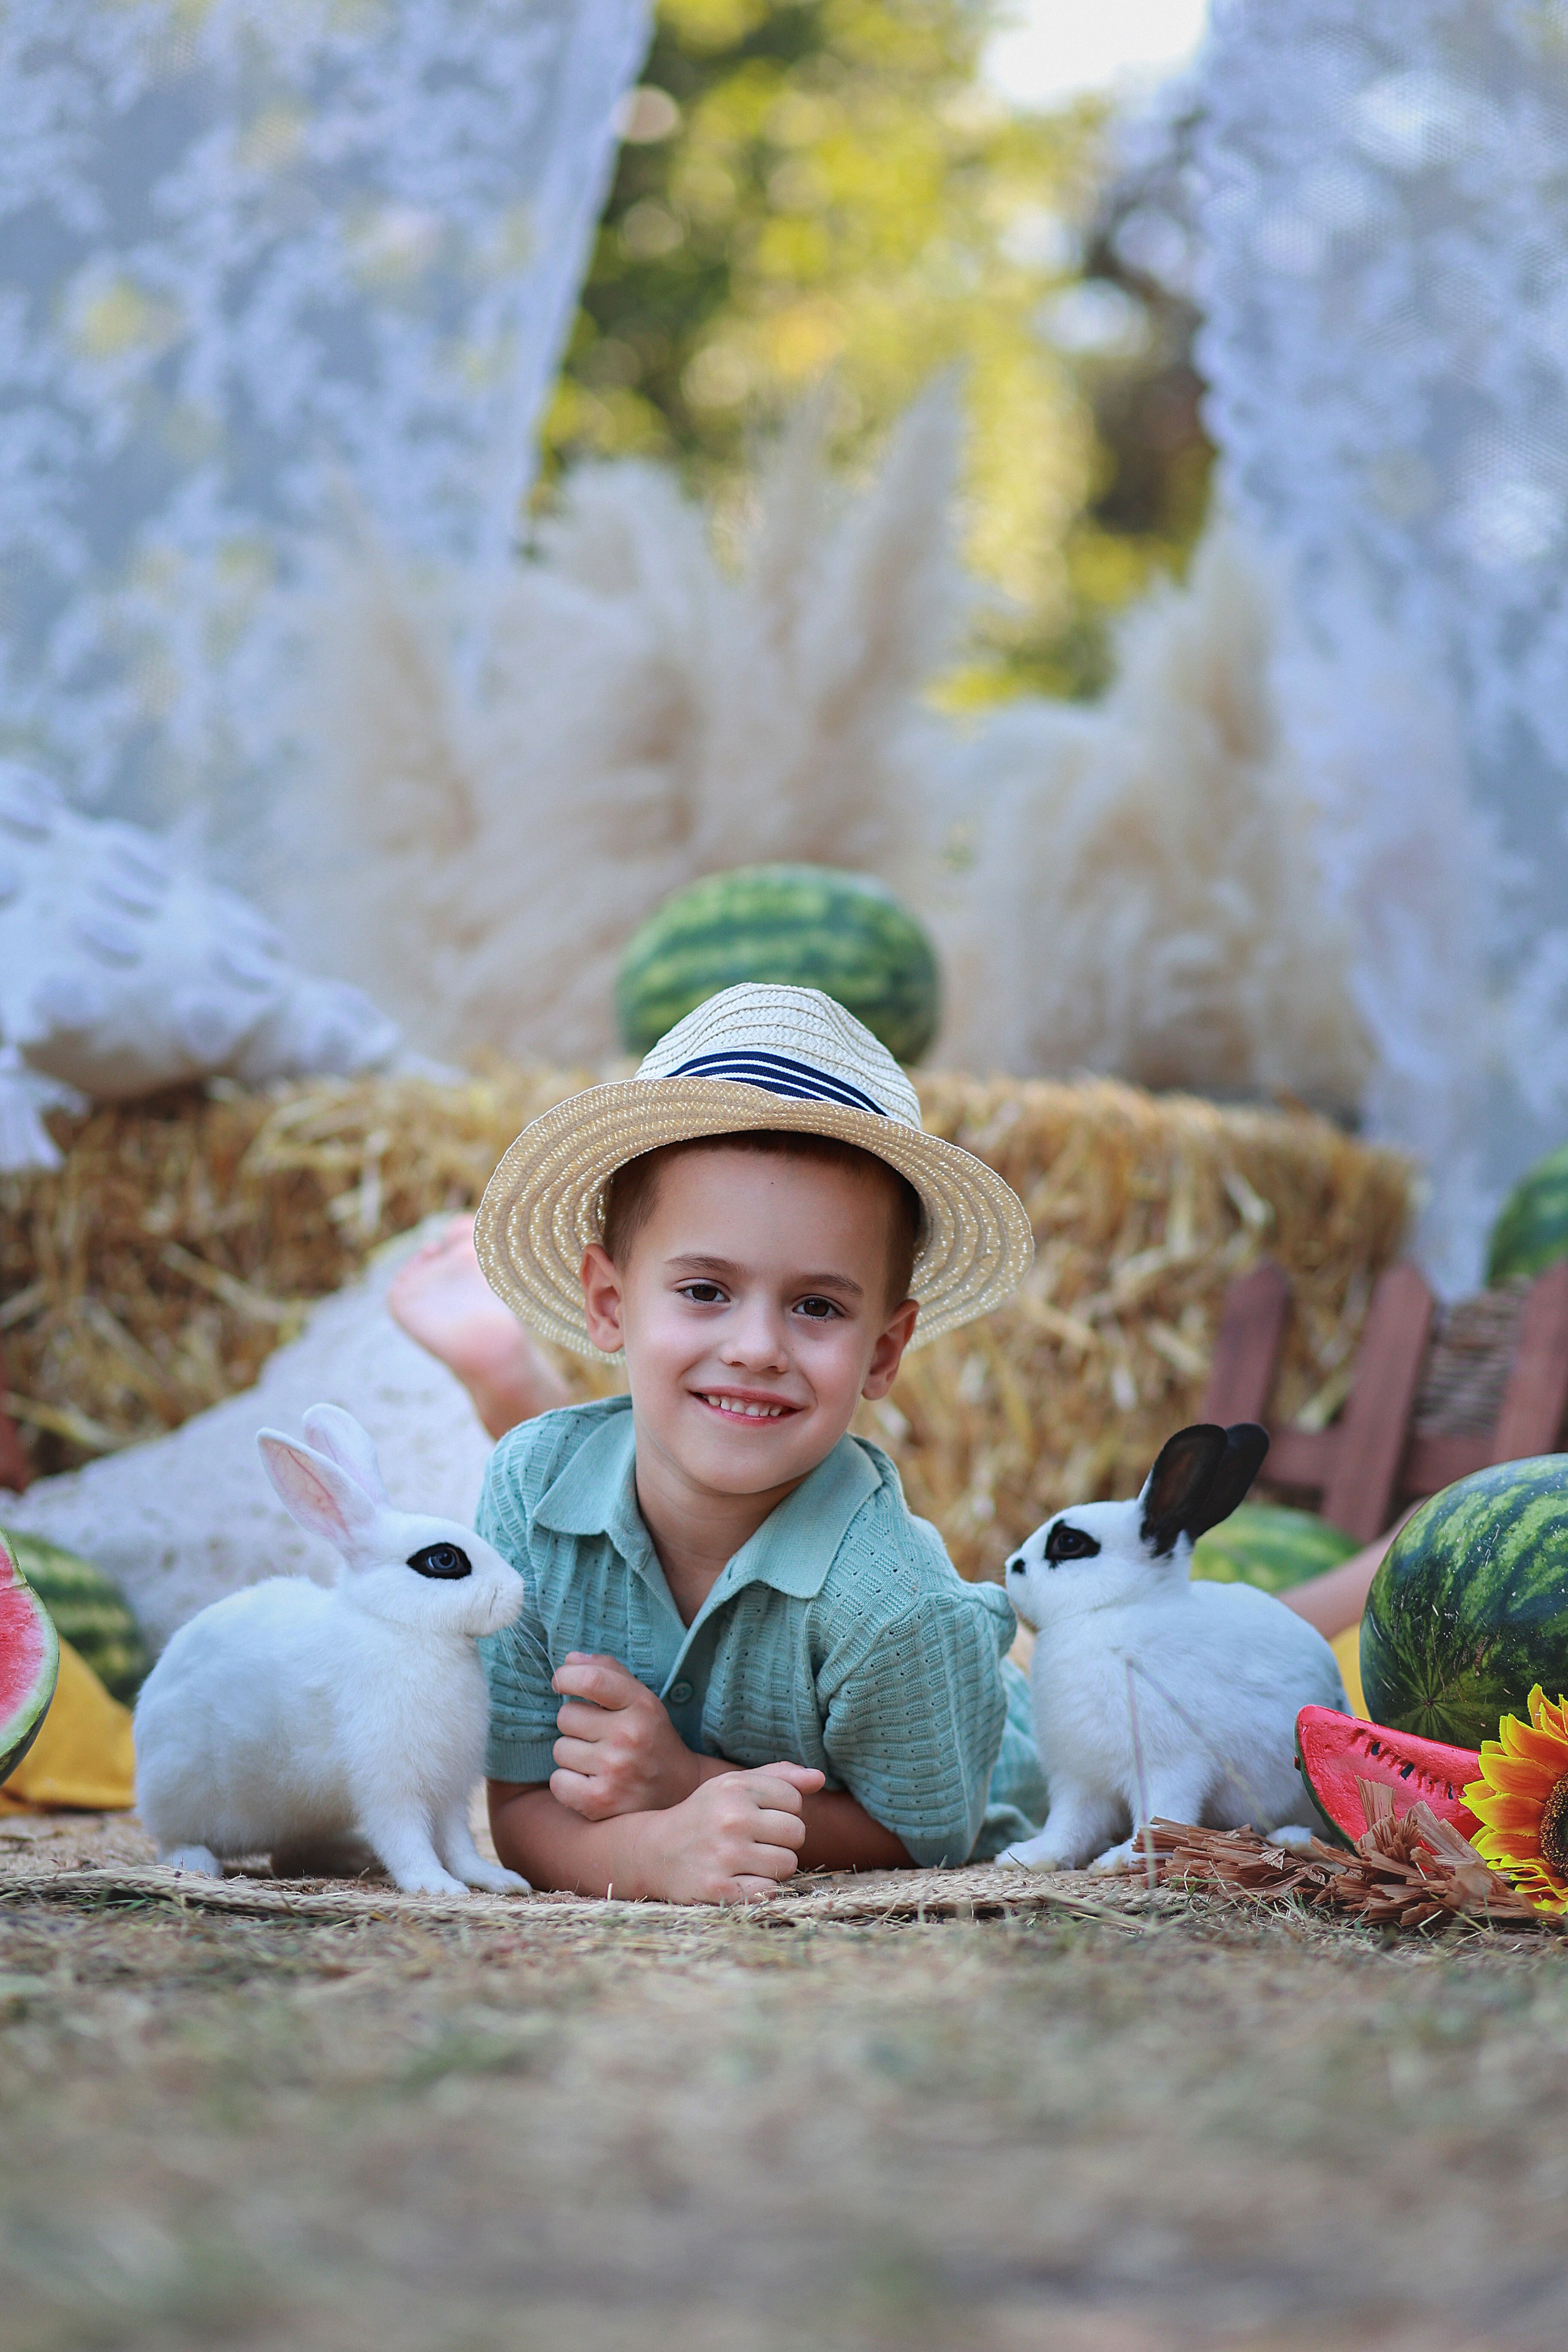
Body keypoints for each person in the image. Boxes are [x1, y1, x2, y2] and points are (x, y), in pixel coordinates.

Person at [413, 982, 1044, 1904]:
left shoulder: (898, 1606)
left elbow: (929, 1843)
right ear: (609, 1303)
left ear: (884, 1349)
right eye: (705, 1290)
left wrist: (684, 1785)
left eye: (817, 1306)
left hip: (988, 1780)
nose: (756, 1348)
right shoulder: (528, 1488)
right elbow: (519, 1799)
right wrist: (644, 1860)